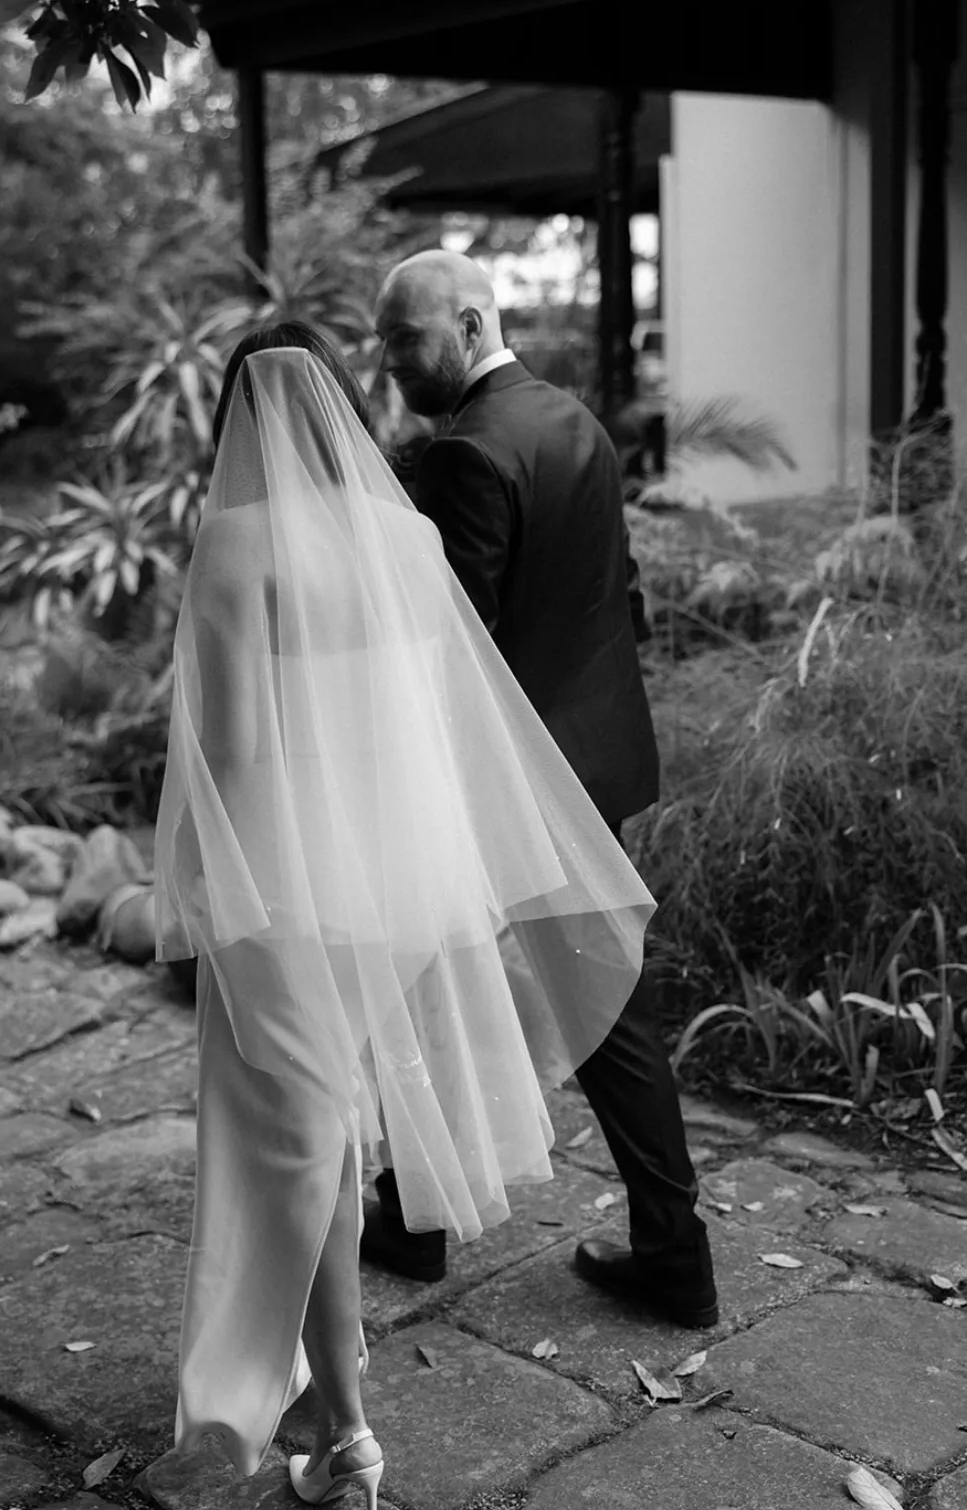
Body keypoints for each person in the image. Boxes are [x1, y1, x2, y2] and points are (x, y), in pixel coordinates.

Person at [155, 320, 655, 1496]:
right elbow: (432, 724)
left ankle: (345, 1431)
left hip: (283, 888)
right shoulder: (406, 533)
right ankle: (320, 1403)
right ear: (340, 407)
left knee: (301, 1143)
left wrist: (198, 872)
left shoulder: (234, 545)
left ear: (243, 420)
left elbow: (225, 747)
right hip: (396, 882)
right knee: (326, 1135)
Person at [370, 251, 718, 1330]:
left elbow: (450, 655)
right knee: (542, 996)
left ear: (470, 324)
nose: (390, 363)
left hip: (507, 787)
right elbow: (619, 595)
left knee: (556, 1005)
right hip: (588, 762)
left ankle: (670, 1255)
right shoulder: (575, 422)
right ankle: (421, 1215)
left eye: (407, 339)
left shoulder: (466, 454)